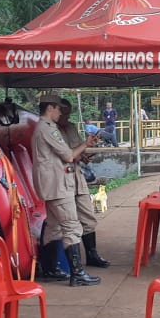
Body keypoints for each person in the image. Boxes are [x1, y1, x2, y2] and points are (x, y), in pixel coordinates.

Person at [31, 94, 101, 286]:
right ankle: (77, 273)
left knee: (53, 227)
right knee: (72, 226)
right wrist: (85, 144)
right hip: (57, 185)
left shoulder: (44, 127)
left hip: (53, 184)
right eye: (59, 109)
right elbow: (68, 156)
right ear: (50, 108)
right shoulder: (47, 128)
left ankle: (50, 268)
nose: (61, 113)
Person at [57, 98, 111, 268]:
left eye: (68, 113)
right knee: (67, 223)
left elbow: (77, 149)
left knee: (88, 216)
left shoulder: (71, 127)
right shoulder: (50, 130)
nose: (66, 116)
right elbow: (66, 155)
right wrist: (80, 150)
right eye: (63, 113)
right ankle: (67, 265)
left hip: (77, 175)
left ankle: (92, 254)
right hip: (61, 179)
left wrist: (84, 154)